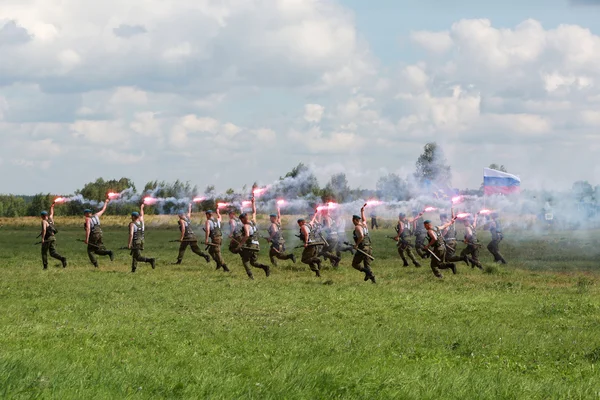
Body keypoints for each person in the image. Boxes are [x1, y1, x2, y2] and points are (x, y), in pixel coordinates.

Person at [235, 196, 270, 279]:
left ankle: (250, 276)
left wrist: (240, 244)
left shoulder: (246, 226)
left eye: (241, 220)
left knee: (245, 261)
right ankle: (265, 267)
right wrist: (253, 203)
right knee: (253, 262)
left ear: (243, 219)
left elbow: (247, 235)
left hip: (250, 246)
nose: (241, 221)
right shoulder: (253, 222)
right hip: (256, 245)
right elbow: (254, 212)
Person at [84, 197, 114, 268]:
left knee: (90, 250)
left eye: (85, 213)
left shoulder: (87, 219)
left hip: (94, 235)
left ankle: (96, 265)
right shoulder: (96, 215)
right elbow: (103, 210)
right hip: (100, 234)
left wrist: (87, 239)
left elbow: (88, 229)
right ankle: (109, 252)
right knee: (97, 249)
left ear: (86, 213)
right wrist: (106, 202)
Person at [127, 204, 156, 273]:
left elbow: (131, 234)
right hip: (142, 241)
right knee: (135, 255)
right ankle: (133, 269)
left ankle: (150, 260)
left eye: (132, 216)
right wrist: (141, 208)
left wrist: (129, 243)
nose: (131, 217)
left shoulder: (132, 224)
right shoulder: (142, 222)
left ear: (134, 217)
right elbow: (142, 215)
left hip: (136, 241)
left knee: (138, 257)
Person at [351, 204, 376, 283]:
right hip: (369, 248)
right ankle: (372, 279)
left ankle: (366, 272)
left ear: (355, 220)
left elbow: (361, 236)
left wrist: (356, 245)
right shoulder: (364, 225)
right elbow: (364, 219)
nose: (352, 221)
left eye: (353, 220)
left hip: (363, 248)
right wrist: (362, 211)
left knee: (355, 264)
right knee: (367, 265)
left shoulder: (357, 227)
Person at [40, 201, 67, 270]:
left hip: (47, 238)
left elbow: (44, 230)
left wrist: (42, 238)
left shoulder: (44, 221)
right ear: (47, 215)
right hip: (53, 238)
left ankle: (45, 267)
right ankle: (62, 259)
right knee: (52, 253)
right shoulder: (51, 219)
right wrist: (52, 206)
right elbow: (52, 213)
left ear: (42, 216)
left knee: (44, 252)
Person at [298, 210, 323, 277]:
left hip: (310, 245)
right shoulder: (309, 225)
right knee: (310, 259)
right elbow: (313, 219)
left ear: (301, 222)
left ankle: (318, 260)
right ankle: (317, 272)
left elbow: (306, 234)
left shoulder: (303, 226)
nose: (298, 224)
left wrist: (306, 243)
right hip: (314, 244)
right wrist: (315, 213)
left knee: (304, 259)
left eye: (299, 223)